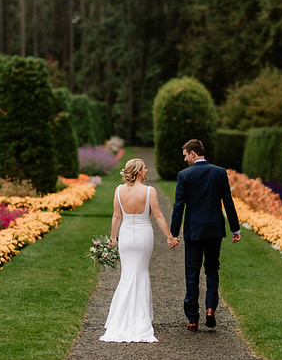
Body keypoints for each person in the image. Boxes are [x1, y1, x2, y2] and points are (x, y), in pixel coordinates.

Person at [100, 158, 179, 342]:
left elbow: (116, 216)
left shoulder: (119, 191)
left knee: (127, 274)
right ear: (137, 172)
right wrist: (169, 236)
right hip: (144, 236)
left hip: (126, 236)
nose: (147, 170)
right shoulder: (150, 191)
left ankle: (121, 317)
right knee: (141, 272)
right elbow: (158, 215)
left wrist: (113, 238)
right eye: (144, 168)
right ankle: (141, 318)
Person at [170, 139, 241, 332]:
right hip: (214, 230)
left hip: (193, 231)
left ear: (193, 153)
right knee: (211, 269)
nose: (185, 159)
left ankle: (193, 319)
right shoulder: (219, 172)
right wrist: (235, 228)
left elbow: (179, 206)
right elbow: (228, 201)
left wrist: (173, 233)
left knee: (192, 272)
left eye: (185, 155)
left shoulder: (184, 175)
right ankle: (210, 307)